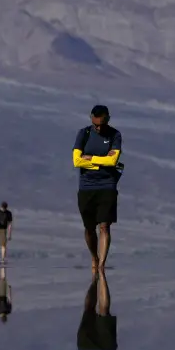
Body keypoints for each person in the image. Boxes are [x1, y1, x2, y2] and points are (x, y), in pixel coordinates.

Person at [73, 104, 123, 274]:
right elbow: (77, 161)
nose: (99, 128)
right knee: (89, 227)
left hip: (107, 184)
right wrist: (101, 162)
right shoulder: (84, 134)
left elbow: (112, 161)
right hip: (86, 186)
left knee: (104, 226)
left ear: (108, 119)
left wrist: (91, 159)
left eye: (102, 124)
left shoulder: (115, 135)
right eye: (96, 124)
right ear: (91, 119)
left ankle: (101, 265)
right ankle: (94, 256)